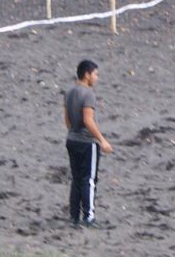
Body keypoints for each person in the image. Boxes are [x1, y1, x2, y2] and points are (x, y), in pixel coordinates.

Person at [64, 59, 113, 227]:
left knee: (76, 179)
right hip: (87, 143)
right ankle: (89, 217)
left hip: (71, 140)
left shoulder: (69, 92)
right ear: (87, 75)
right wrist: (102, 140)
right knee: (89, 180)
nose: (96, 78)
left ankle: (74, 216)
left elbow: (67, 119)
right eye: (95, 74)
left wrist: (73, 133)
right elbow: (88, 121)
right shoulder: (88, 94)